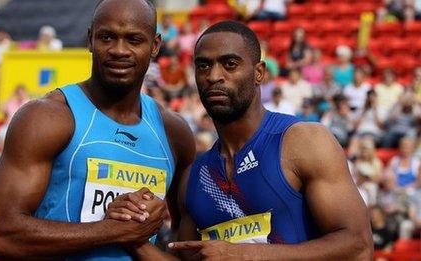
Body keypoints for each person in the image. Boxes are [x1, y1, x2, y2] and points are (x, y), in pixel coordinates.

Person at [108, 21, 373, 260]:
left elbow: (358, 247)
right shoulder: (194, 177)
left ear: (259, 73)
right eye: (204, 66)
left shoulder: (303, 141)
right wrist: (132, 235)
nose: (214, 76)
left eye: (230, 64)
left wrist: (247, 254)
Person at [0, 0, 195, 260]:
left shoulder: (175, 133)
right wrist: (112, 230)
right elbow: (2, 236)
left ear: (155, 46)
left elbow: (183, 241)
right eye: (107, 37)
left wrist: (137, 242)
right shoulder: (46, 118)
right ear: (89, 40)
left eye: (134, 39)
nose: (119, 50)